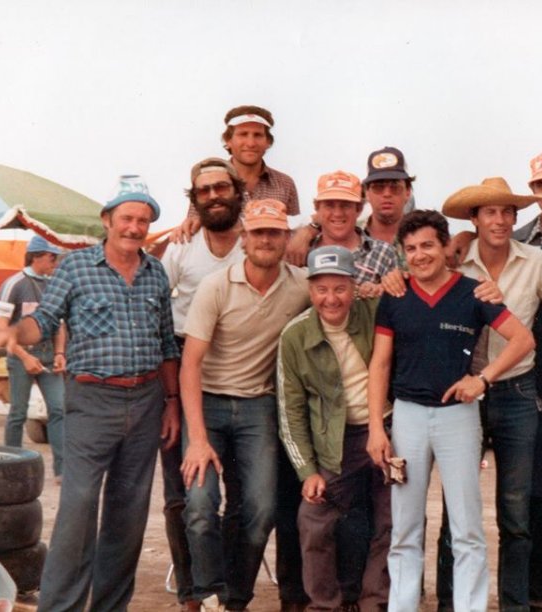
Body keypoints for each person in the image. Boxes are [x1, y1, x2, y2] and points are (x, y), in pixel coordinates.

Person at [0, 175, 181, 610]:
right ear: (107, 220)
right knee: (77, 511)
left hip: (147, 400)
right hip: (92, 401)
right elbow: (45, 320)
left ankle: (110, 607)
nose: (134, 228)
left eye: (143, 221)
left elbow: (168, 344)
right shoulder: (75, 266)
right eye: (127, 218)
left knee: (128, 517)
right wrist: (13, 332)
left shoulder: (155, 272)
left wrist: (171, 404)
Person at [367, 210, 535, 612]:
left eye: (428, 245)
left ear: (446, 248)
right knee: (405, 527)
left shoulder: (474, 293)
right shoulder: (396, 296)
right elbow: (380, 363)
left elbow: (523, 339)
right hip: (407, 415)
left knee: (467, 526)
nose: (420, 255)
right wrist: (377, 425)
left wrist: (484, 378)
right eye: (410, 249)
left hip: (457, 416)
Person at [179, 199, 310, 611]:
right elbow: (190, 365)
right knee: (200, 506)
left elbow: (344, 296)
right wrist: (198, 439)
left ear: (286, 237)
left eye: (275, 232)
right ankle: (208, 595)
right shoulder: (216, 286)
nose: (266, 240)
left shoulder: (301, 284)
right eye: (258, 232)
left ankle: (235, 599)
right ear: (243, 238)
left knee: (261, 510)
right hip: (210, 403)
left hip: (259, 406)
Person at [441, 177, 542, 611]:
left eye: (508, 211)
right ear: (474, 218)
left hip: (517, 390)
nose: (500, 220)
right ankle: (450, 603)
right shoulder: (454, 259)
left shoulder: (537, 261)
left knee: (517, 509)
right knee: (457, 507)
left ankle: (515, 604)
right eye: (489, 211)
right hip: (463, 391)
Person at [277, 245, 392, 611]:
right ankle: (325, 605)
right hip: (334, 441)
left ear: (354, 286)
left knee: (392, 518)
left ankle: (375, 602)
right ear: (310, 291)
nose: (331, 299)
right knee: (312, 518)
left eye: (340, 288)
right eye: (322, 289)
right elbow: (290, 412)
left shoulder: (376, 314)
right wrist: (307, 471)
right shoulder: (295, 336)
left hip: (385, 430)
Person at [159, 157, 246, 610]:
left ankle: (227, 590)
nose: (214, 196)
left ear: (238, 192)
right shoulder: (181, 246)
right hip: (183, 367)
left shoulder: (256, 240)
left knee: (241, 500)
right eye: (204, 191)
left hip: (241, 371)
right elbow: (157, 306)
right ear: (194, 201)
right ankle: (194, 594)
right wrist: (169, 393)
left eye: (222, 188)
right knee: (184, 496)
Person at [0, 235, 66, 480]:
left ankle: (62, 470)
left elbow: (59, 325)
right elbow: (0, 330)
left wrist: (59, 353)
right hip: (21, 355)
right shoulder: (14, 284)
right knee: (18, 412)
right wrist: (25, 358)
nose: (54, 262)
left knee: (58, 409)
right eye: (51, 257)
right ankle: (11, 468)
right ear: (36, 257)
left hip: (47, 357)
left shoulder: (53, 284)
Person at [175, 105, 300, 241]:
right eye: (243, 134)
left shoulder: (285, 183)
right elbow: (193, 224)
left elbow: (294, 231)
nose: (251, 143)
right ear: (228, 140)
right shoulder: (209, 181)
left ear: (268, 142)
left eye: (258, 135)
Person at [287, 146, 415, 266]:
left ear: (408, 192)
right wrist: (306, 232)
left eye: (395, 187)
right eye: (378, 187)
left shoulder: (424, 235)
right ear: (367, 193)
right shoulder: (349, 229)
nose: (387, 194)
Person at [307, 169, 398, 297]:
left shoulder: (383, 252)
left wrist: (381, 289)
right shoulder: (303, 250)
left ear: (359, 209)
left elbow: (397, 299)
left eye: (345, 205)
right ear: (317, 208)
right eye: (329, 205)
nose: (338, 213)